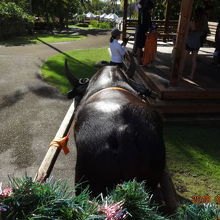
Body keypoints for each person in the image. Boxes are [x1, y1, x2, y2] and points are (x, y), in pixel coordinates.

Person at [180, 8, 208, 80]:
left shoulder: (192, 22)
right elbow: (203, 33)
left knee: (183, 58)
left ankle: (180, 73)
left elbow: (186, 32)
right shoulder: (203, 24)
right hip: (197, 43)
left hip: (189, 42)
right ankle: (191, 75)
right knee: (194, 60)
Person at [133, 0, 154, 65]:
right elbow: (145, 23)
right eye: (151, 8)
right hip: (142, 31)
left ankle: (141, 59)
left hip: (141, 30)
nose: (151, 10)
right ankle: (140, 61)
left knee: (140, 46)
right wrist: (148, 30)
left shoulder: (141, 10)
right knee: (140, 46)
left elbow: (137, 4)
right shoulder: (145, 13)